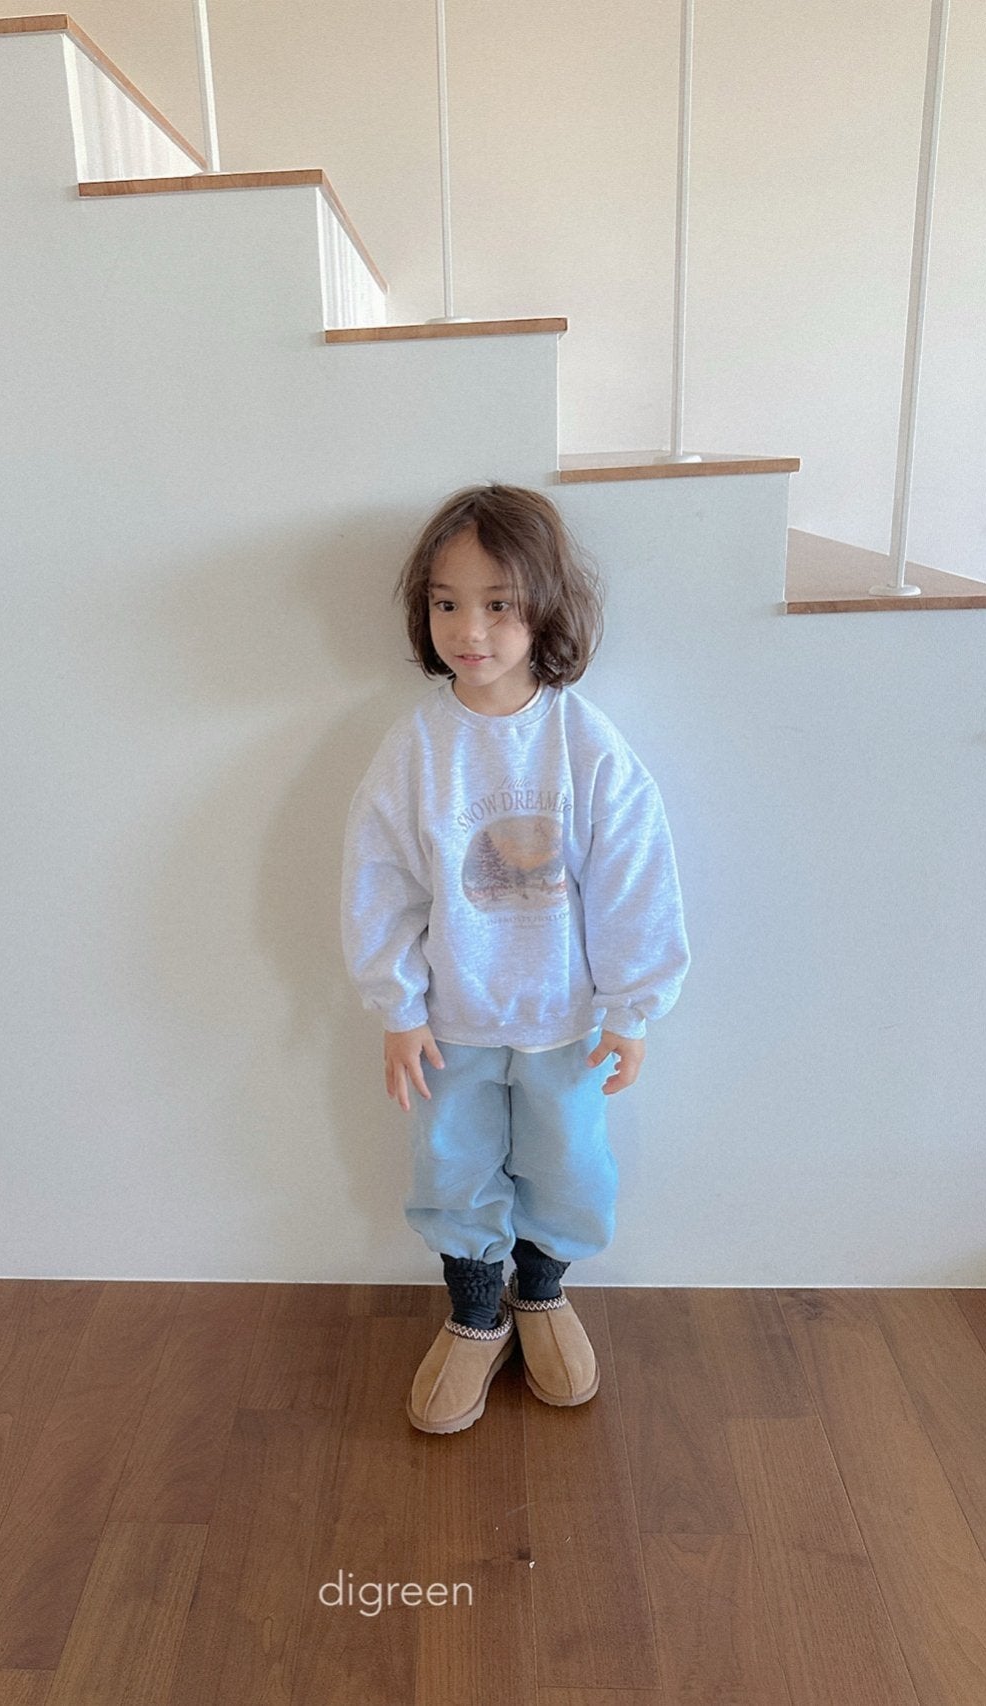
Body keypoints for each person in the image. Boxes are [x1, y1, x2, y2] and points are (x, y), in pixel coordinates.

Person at [340, 483, 690, 1434]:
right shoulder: (417, 747)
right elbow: (380, 881)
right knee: (449, 1169)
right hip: (450, 1022)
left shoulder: (585, 744)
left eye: (499, 604)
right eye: (447, 603)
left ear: (546, 607)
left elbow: (632, 878)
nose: (471, 630)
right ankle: (475, 1313)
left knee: (569, 1166)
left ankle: (541, 1295)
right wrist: (397, 1007)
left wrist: (633, 1008)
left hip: (563, 1022)